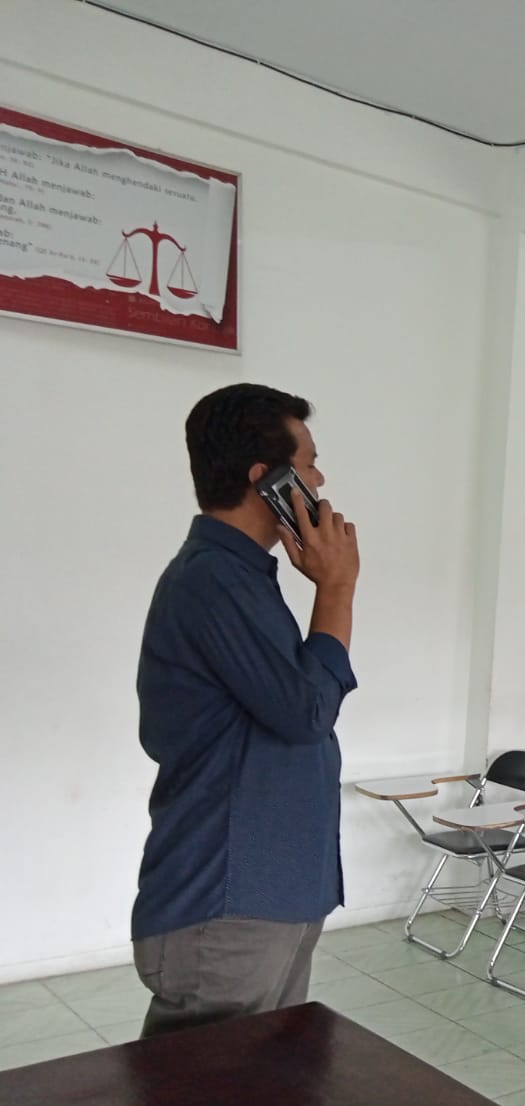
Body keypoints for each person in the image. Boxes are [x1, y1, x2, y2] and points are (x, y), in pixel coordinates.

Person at [132, 383, 360, 1038]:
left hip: (267, 891)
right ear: (267, 479)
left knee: (259, 1090)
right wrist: (338, 588)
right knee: (207, 1098)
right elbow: (306, 713)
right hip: (228, 901)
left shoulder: (242, 579)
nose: (320, 481)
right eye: (310, 463)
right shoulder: (212, 580)